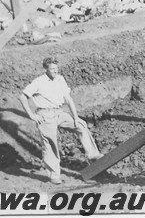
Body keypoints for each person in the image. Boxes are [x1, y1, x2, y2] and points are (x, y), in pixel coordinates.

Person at [19, 56, 103, 184]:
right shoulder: (38, 82)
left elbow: (68, 99)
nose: (55, 71)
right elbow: (23, 97)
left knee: (81, 125)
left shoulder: (60, 79)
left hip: (59, 112)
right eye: (52, 69)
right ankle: (54, 175)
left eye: (56, 68)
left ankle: (93, 155)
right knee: (50, 144)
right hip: (45, 115)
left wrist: (75, 117)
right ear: (46, 69)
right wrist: (31, 115)